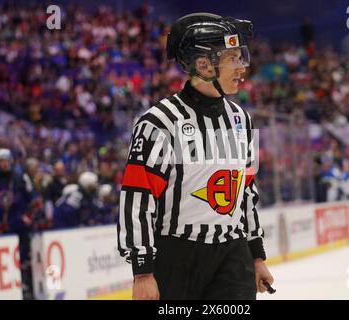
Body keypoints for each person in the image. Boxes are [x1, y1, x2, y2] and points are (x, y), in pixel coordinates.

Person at [117, 13, 273, 300]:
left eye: (242, 57)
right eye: (233, 59)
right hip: (177, 258)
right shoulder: (159, 122)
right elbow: (137, 198)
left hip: (231, 254)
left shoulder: (242, 120)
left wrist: (256, 255)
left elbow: (246, 193)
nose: (242, 67)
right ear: (203, 64)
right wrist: (143, 272)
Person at [0, 148, 42, 299]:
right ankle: (7, 288)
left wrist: (28, 216)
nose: (5, 164)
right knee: (4, 260)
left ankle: (26, 286)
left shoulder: (20, 177)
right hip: (1, 227)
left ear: (11, 161)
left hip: (20, 225)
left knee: (23, 256)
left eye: (7, 160)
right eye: (2, 161)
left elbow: (34, 199)